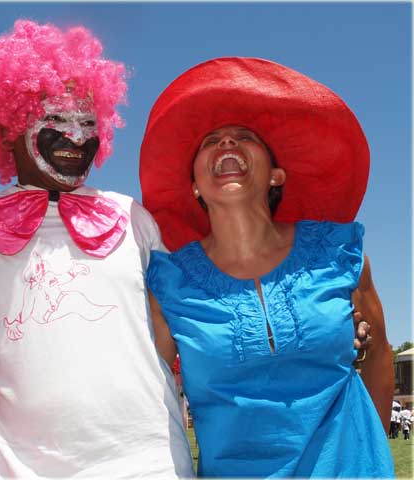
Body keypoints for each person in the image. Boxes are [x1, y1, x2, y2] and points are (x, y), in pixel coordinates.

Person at [0, 20, 195, 478]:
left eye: (86, 122)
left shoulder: (132, 216)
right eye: (56, 120)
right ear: (4, 128)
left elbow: (176, 325)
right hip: (12, 465)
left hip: (148, 460)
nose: (77, 137)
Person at [140, 57, 395, 477]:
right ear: (194, 186)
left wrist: (373, 456)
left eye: (243, 137)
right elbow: (147, 396)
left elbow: (380, 355)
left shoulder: (339, 254)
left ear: (276, 174)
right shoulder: (167, 284)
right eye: (211, 142)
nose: (226, 144)